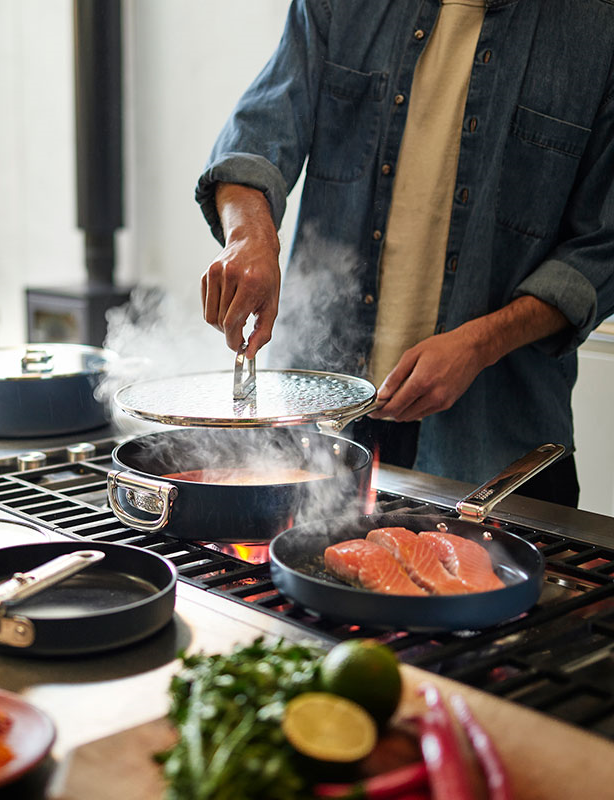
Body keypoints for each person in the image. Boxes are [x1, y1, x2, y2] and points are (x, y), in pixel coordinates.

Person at [195, 0, 614, 508]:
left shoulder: (599, 27)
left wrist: (479, 345)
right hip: (325, 432)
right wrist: (250, 237)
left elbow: (602, 248)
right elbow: (256, 136)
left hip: (497, 443)